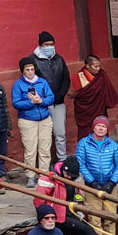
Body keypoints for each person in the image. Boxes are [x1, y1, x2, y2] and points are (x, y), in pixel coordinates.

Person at [76, 115, 118, 235]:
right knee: (94, 217)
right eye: (98, 125)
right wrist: (91, 182)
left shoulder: (113, 145)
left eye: (103, 126)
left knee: (110, 215)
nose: (101, 128)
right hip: (91, 186)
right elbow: (81, 163)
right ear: (93, 127)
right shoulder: (84, 143)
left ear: (107, 129)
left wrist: (112, 182)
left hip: (110, 185)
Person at [11, 56, 54, 187]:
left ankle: (44, 174)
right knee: (30, 149)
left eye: (32, 69)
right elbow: (16, 103)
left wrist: (41, 101)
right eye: (27, 70)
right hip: (28, 120)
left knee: (45, 148)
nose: (30, 72)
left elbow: (51, 97)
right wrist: (30, 102)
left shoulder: (42, 82)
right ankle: (30, 175)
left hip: (45, 119)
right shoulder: (18, 85)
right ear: (22, 71)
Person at [32, 31, 71, 160]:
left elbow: (66, 78)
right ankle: (45, 162)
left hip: (58, 103)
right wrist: (44, 98)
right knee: (44, 136)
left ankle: (62, 160)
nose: (50, 47)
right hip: (42, 104)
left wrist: (60, 94)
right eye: (46, 44)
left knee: (61, 134)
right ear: (40, 45)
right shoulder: (33, 60)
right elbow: (31, 82)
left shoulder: (59, 59)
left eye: (52, 44)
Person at [71, 54, 118, 141]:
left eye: (99, 66)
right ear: (88, 66)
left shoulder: (101, 75)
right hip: (84, 112)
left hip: (99, 109)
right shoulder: (79, 77)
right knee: (86, 134)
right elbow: (71, 95)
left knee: (100, 128)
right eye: (96, 66)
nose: (98, 69)